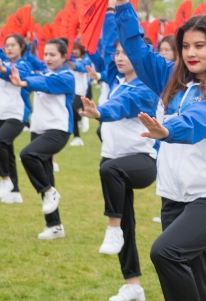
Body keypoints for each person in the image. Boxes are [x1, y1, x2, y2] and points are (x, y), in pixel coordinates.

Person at [115, 0, 206, 301]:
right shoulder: (170, 79)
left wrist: (168, 130)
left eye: (200, 45)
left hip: (204, 198)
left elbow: (198, 121)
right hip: (172, 196)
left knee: (166, 253)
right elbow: (136, 49)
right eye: (186, 46)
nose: (191, 52)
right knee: (195, 273)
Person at [78, 26, 159, 301]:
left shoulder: (145, 88)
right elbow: (106, 38)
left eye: (127, 53)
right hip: (114, 162)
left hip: (141, 162)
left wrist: (100, 112)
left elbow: (123, 105)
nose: (120, 57)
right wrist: (111, 10)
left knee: (108, 170)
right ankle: (133, 285)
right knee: (128, 227)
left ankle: (112, 228)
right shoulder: (117, 80)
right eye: (117, 53)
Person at [9, 39, 74, 240]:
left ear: (64, 57)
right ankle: (54, 226)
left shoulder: (66, 77)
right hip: (39, 129)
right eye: (45, 54)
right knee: (45, 173)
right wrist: (4, 68)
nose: (47, 58)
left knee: (27, 154)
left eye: (52, 55)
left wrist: (25, 82)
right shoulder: (43, 73)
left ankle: (49, 191)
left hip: (58, 130)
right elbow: (27, 76)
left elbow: (46, 84)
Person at [0, 33, 32, 204]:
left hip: (16, 114)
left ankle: (6, 179)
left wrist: (2, 70)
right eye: (6, 45)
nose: (8, 48)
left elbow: (16, 74)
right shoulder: (3, 61)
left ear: (21, 47)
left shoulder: (25, 64)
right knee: (7, 151)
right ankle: (15, 192)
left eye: (12, 45)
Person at [67, 42, 92, 146]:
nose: (74, 51)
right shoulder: (71, 59)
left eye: (76, 49)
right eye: (73, 49)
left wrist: (69, 62)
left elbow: (80, 67)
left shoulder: (86, 60)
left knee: (72, 110)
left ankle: (82, 118)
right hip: (72, 90)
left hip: (81, 91)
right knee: (70, 112)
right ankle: (77, 137)